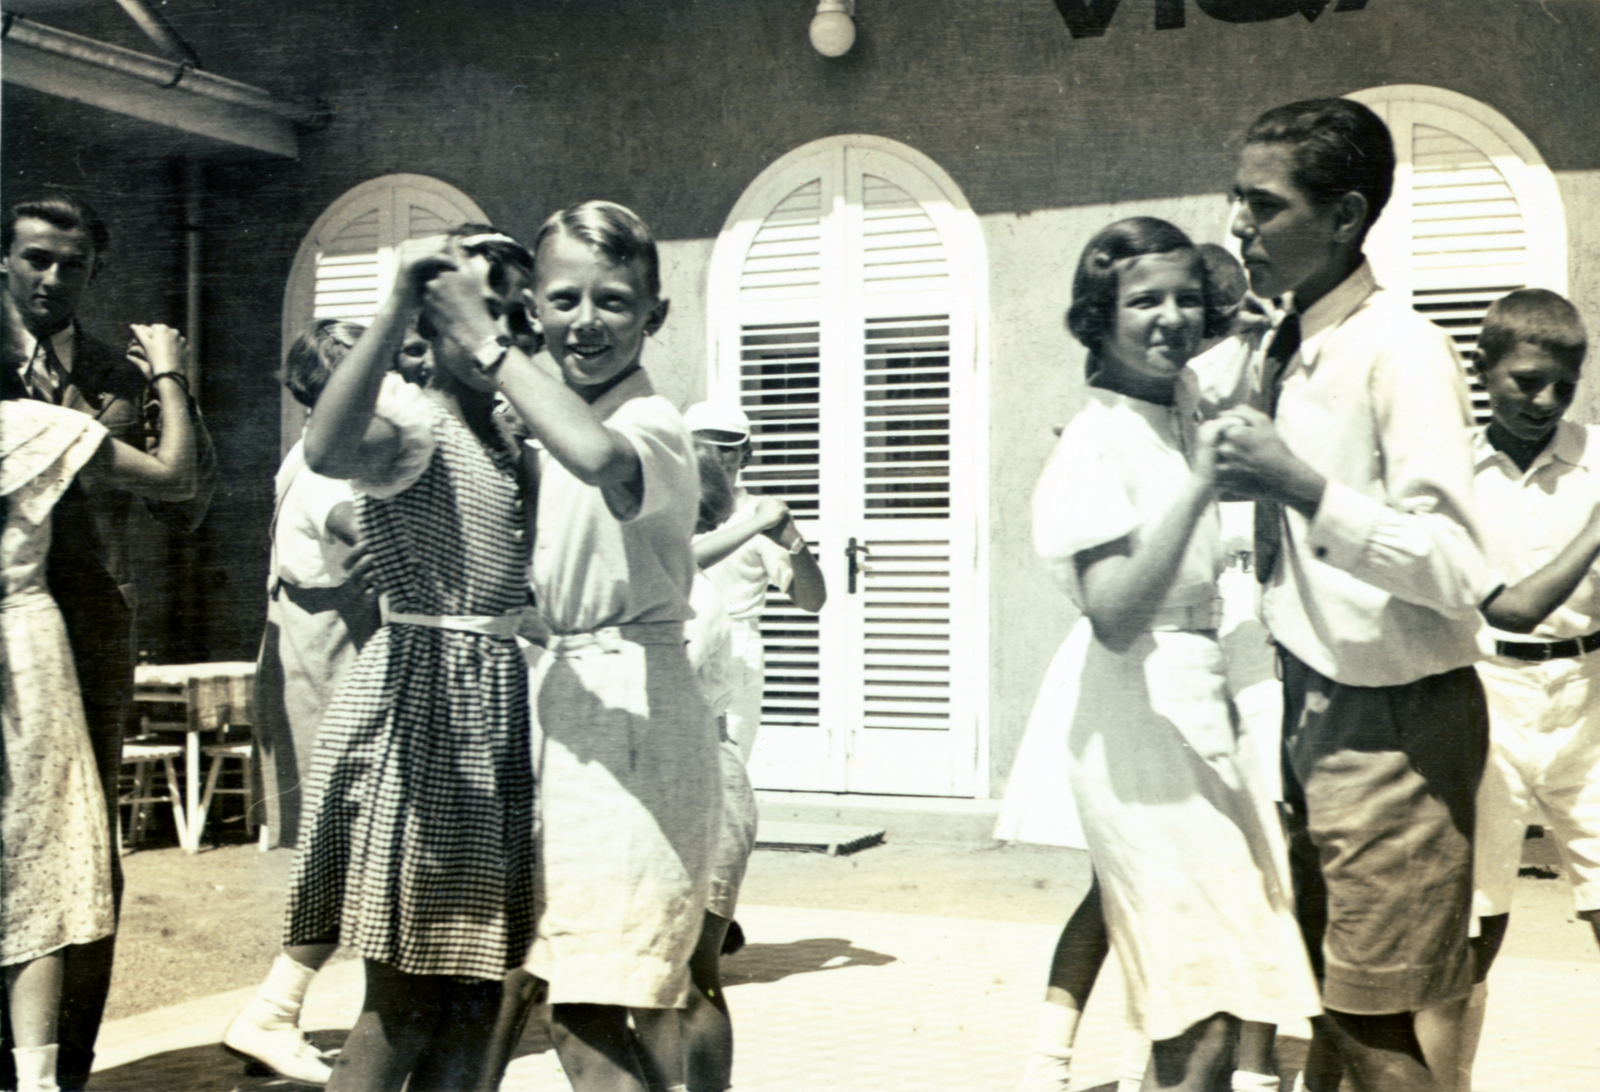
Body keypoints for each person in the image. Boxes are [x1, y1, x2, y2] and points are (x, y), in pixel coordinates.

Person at [1208, 98, 1492, 1092]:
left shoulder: (1400, 350)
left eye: (1263, 203)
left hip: (1394, 721)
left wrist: (1300, 485)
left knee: (1374, 1025)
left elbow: (1460, 571)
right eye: (1235, 198)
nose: (1237, 223)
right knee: (1331, 1006)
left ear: (1343, 216)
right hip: (1303, 705)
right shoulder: (1285, 338)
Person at [431, 199, 719, 1092]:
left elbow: (599, 457)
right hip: (575, 710)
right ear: (536, 309)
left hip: (633, 714)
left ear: (654, 317)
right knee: (575, 994)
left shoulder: (651, 425)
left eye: (614, 302)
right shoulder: (549, 426)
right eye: (563, 301)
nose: (585, 323)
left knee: (588, 1005)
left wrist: (490, 347)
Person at [1030, 216, 1321, 1092]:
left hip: (1202, 704)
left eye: (1186, 299)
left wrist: (1254, 323)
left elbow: (1235, 340)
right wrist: (1201, 482)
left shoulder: (1181, 401)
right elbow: (1113, 614)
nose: (1170, 318)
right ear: (1097, 318)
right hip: (1138, 720)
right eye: (1143, 301)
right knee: (1196, 1009)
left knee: (1223, 992)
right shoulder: (1097, 443)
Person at [281, 225, 538, 1092]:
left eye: (508, 314)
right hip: (427, 714)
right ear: (427, 335)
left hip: (495, 713)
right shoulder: (413, 428)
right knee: (407, 993)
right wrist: (394, 302)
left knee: (480, 991)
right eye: (471, 313)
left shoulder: (507, 434)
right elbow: (324, 448)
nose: (492, 332)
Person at [1, 190, 215, 1090]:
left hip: (82, 641)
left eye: (72, 263)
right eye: (36, 258)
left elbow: (192, 493)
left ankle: (62, 1071)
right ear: (4, 260)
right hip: (13, 625)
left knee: (78, 860)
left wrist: (173, 380)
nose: (53, 277)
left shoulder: (111, 370)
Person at [1419, 288, 1597, 1092]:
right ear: (1485, 370)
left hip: (1588, 700)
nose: (1548, 401)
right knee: (1473, 926)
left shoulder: (1598, 457)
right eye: (1527, 381)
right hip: (1484, 693)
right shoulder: (1449, 467)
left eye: (1565, 383)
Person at [221, 319, 381, 1085]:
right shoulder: (335, 473)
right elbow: (365, 535)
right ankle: (276, 1011)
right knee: (350, 838)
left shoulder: (311, 456)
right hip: (331, 654)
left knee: (356, 841)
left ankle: (302, 1013)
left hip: (314, 645)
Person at [680, 440, 762, 1092]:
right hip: (677, 777)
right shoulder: (663, 578)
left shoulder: (691, 598)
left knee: (691, 975)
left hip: (702, 783)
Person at [684, 401, 826, 764]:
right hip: (670, 640)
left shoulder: (761, 513)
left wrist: (795, 542)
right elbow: (682, 562)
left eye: (727, 446)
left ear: (746, 456)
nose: (714, 456)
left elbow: (811, 601)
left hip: (734, 652)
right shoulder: (664, 505)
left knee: (726, 775)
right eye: (701, 445)